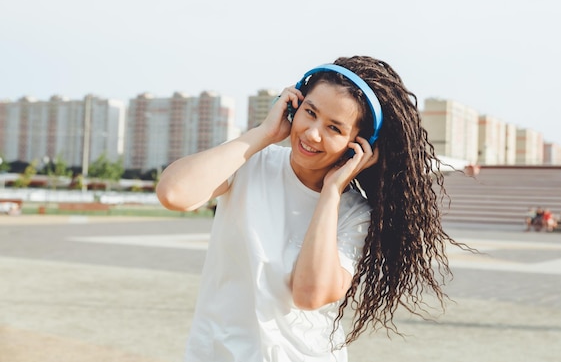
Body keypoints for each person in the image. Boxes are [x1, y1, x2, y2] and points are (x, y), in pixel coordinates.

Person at [156, 55, 466, 362]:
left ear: (357, 145)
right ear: (294, 106)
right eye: (310, 112)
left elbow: (309, 295)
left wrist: (332, 192)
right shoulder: (251, 164)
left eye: (334, 128)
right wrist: (263, 134)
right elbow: (173, 193)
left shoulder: (355, 214)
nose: (312, 133)